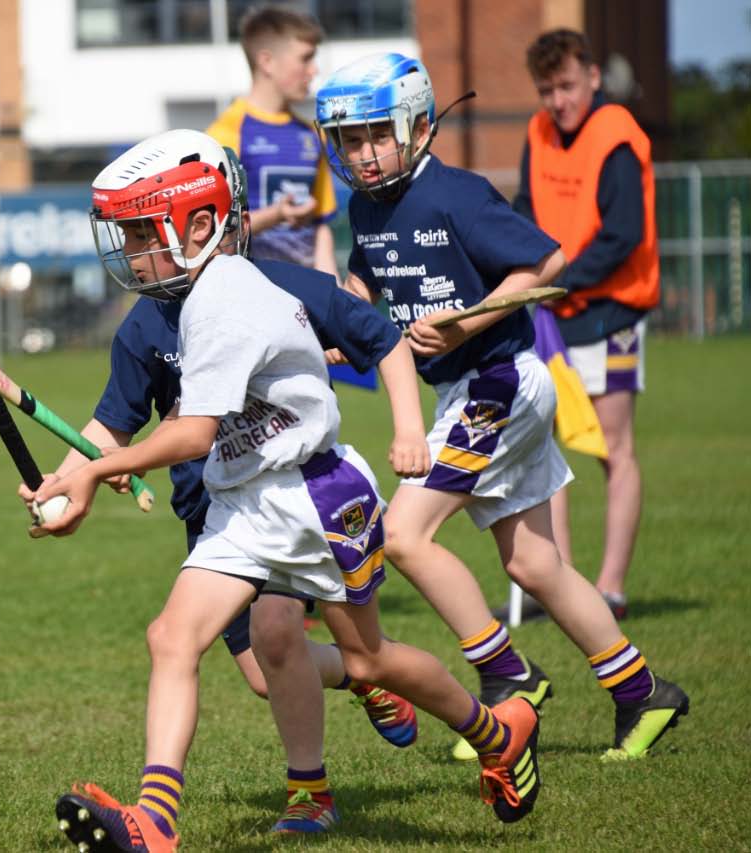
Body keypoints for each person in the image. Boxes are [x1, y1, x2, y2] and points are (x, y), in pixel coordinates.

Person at [36, 129, 542, 853]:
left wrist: (90, 473)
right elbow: (128, 427)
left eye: (144, 232)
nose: (132, 250)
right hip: (243, 501)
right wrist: (72, 471)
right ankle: (155, 821)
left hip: (314, 498)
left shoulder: (230, 297)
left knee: (368, 660)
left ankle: (497, 729)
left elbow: (190, 434)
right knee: (174, 636)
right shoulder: (169, 306)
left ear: (202, 226)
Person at [316, 52, 687, 763]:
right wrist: (333, 338)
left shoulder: (456, 193)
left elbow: (544, 264)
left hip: (500, 380)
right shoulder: (365, 206)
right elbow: (363, 288)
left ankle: (506, 673)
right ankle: (644, 693)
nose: (361, 155)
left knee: (401, 534)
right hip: (466, 388)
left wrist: (467, 318)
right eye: (347, 140)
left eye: (375, 135)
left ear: (419, 126)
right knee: (533, 565)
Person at [506, 28, 661, 622]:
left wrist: (555, 279)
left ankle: (612, 587)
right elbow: (525, 209)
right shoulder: (538, 132)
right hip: (552, 312)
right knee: (545, 444)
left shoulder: (618, 135)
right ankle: (559, 586)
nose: (557, 101)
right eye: (546, 90)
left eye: (567, 86)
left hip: (610, 309)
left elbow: (622, 234)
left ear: (593, 78)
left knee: (612, 448)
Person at [206, 5, 339, 279]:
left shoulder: (312, 135)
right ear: (266, 62)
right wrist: (276, 215)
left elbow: (320, 225)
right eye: (305, 58)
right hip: (247, 293)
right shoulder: (225, 134)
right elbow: (212, 233)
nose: (313, 70)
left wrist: (332, 291)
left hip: (304, 300)